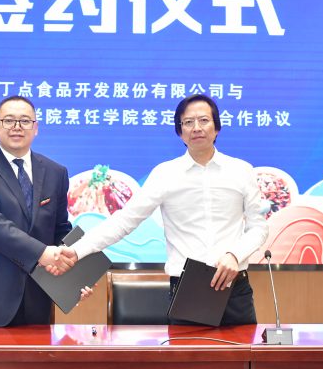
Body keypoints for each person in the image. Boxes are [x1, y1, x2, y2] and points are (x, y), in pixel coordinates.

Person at [71, 94, 269, 326]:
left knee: (244, 351)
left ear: (217, 127)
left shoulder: (241, 171)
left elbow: (259, 227)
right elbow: (124, 221)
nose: (197, 128)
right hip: (187, 290)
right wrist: (76, 251)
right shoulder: (165, 174)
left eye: (204, 120)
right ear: (180, 132)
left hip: (235, 287)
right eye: (188, 122)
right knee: (187, 352)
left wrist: (234, 254)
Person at [0, 95, 81, 326]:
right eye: (8, 120)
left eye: (25, 121)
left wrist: (77, 278)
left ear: (36, 128)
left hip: (37, 296)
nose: (17, 127)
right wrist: (42, 253)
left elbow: (60, 228)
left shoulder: (56, 172)